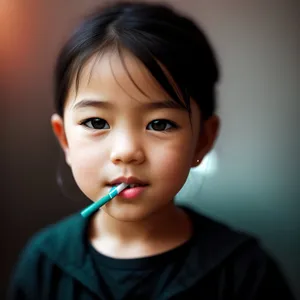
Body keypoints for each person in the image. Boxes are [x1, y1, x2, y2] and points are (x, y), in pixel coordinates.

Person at [7, 1, 296, 299]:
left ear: (203, 140)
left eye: (159, 124)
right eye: (96, 121)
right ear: (65, 138)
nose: (127, 151)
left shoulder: (244, 270)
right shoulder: (45, 263)